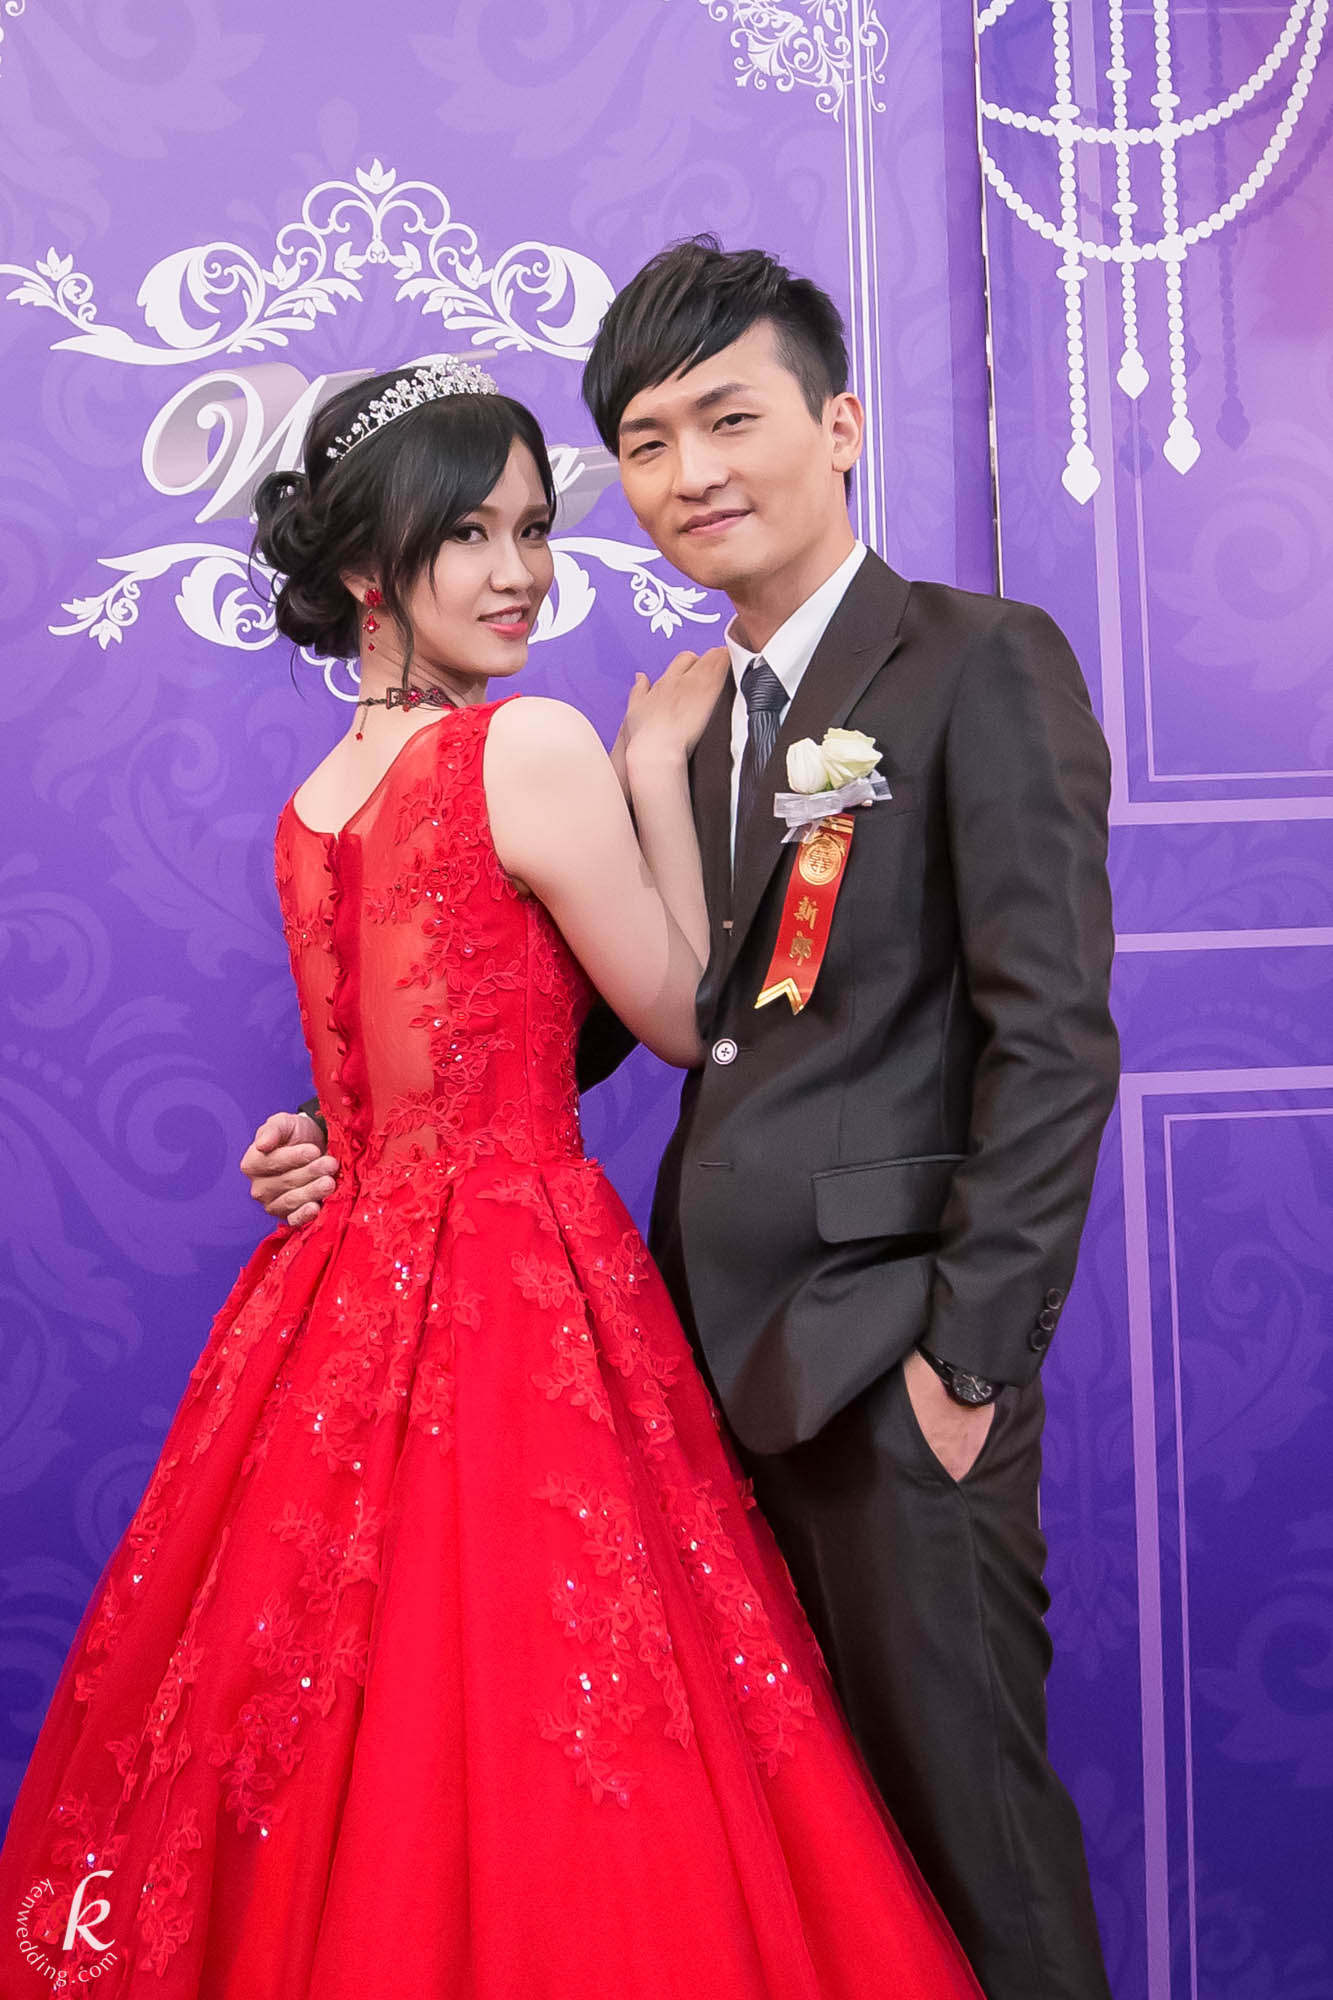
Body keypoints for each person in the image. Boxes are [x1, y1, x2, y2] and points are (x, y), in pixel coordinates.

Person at [0, 357, 984, 1999]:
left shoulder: (310, 806)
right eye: (470, 533)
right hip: (516, 1290)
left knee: (337, 1711)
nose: (521, 569)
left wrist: (319, 1146)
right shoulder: (525, 745)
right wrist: (655, 770)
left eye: (532, 528)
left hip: (336, 1300)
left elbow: (391, 1073)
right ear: (366, 565)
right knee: (560, 1704)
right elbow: (681, 1012)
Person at [250, 243, 1122, 2000]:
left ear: (839, 426)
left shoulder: (977, 662)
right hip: (683, 1374)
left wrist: (965, 1367)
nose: (688, 474)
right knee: (799, 1895)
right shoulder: (683, 720)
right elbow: (600, 1012)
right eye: (645, 444)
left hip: (885, 1367)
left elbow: (1050, 1039)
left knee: (973, 1859)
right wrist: (372, 1131)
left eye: (729, 420)